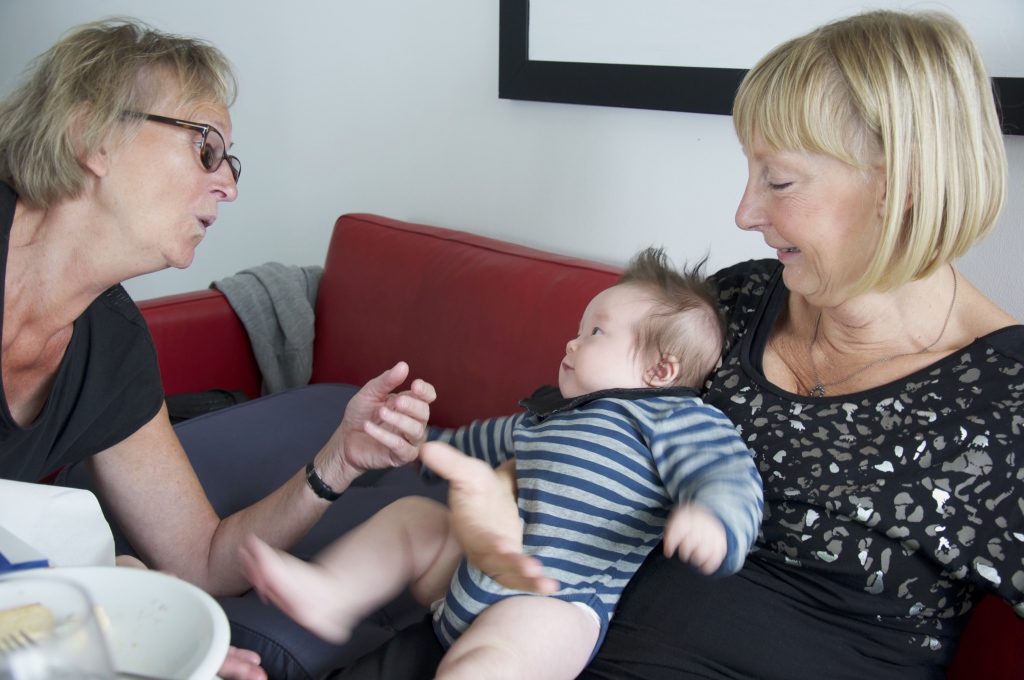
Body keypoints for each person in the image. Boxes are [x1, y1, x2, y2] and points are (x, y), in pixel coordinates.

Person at [332, 9, 1024, 680]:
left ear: (903, 182)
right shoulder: (739, 302)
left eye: (779, 180)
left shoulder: (1007, 403)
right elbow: (574, 433)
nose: (745, 213)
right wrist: (484, 490)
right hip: (502, 632)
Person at [0, 19, 434, 680]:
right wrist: (84, 598)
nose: (228, 185)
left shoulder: (110, 342)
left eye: (230, 162)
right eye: (206, 148)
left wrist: (338, 461)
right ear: (91, 137)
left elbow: (200, 559)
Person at [240, 248, 764, 680]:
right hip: (472, 571)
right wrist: (422, 444)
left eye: (596, 333)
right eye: (580, 328)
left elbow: (726, 473)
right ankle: (333, 592)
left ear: (660, 370)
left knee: (495, 664)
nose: (572, 341)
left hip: (554, 602)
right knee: (413, 518)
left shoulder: (675, 417)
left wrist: (715, 521)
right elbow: (480, 441)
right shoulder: (547, 416)